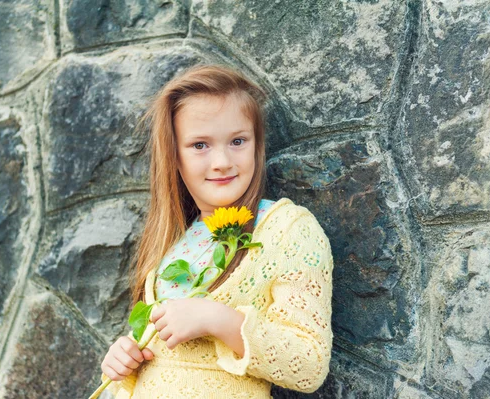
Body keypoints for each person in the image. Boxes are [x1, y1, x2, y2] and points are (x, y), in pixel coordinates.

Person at [100, 64, 333, 399]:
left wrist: (219, 319)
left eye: (237, 140)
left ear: (256, 144)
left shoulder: (287, 229)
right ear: (174, 156)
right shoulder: (173, 239)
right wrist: (123, 362)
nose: (223, 160)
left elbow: (309, 365)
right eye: (200, 145)